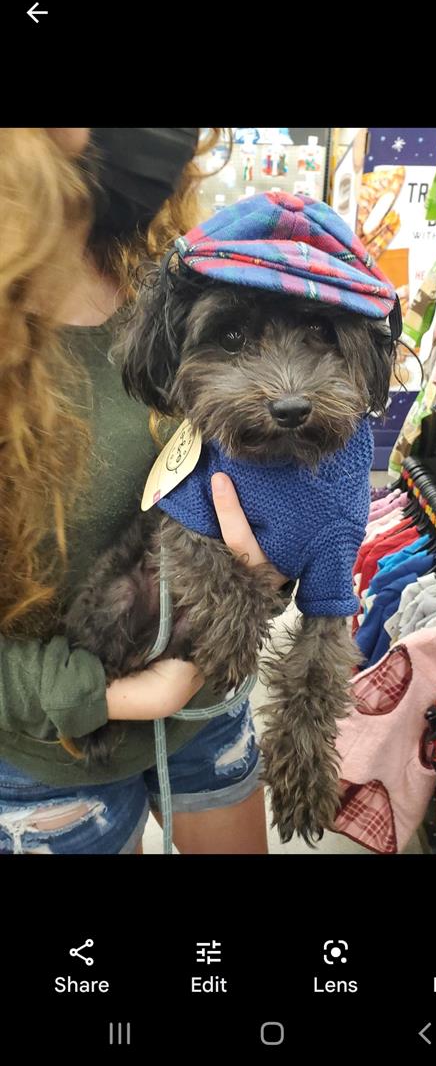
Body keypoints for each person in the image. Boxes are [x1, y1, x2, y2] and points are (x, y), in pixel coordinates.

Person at [0, 127, 287, 855]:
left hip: (207, 695)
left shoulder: (182, 279)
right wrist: (108, 695)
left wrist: (273, 565)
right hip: (55, 748)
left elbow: (258, 471)